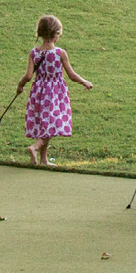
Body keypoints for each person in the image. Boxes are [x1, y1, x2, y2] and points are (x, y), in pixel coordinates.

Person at [15, 14, 93, 167]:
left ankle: (43, 160)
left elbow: (29, 75)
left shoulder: (34, 53)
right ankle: (35, 147)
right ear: (55, 34)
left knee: (46, 124)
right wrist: (84, 81)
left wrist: (20, 85)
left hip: (38, 93)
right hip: (55, 93)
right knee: (54, 124)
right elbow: (71, 74)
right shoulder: (60, 53)